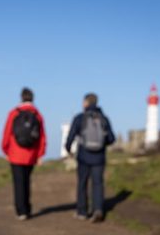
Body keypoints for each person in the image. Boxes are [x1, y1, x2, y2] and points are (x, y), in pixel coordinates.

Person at [65, 93, 115, 223]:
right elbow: (112, 138)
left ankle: (82, 212)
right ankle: (98, 209)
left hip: (83, 157)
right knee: (97, 183)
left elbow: (70, 137)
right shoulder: (104, 118)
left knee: (82, 183)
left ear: (86, 103)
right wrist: (102, 145)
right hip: (99, 158)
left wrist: (68, 149)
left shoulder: (80, 118)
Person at [2, 88, 47, 221]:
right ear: (32, 98)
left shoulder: (13, 113)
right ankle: (27, 209)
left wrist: (6, 150)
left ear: (21, 97)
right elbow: (42, 137)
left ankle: (21, 211)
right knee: (26, 181)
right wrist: (40, 154)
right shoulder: (38, 115)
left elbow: (7, 133)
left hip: (15, 153)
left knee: (18, 183)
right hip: (31, 154)